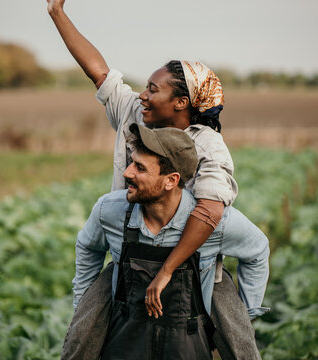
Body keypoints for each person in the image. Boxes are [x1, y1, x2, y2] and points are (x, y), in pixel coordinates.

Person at [46, 0, 269, 358]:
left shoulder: (208, 144)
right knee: (80, 340)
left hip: (197, 259)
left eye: (153, 88)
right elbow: (99, 72)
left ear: (181, 103)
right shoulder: (138, 114)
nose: (143, 94)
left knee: (240, 343)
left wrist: (168, 269)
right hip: (130, 247)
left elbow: (211, 210)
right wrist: (57, 12)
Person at [71, 124, 269, 359]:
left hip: (187, 346)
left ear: (171, 180)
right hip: (125, 342)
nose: (127, 173)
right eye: (132, 163)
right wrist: (82, 299)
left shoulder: (217, 223)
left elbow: (258, 250)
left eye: (140, 168)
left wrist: (246, 312)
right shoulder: (109, 211)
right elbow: (88, 246)